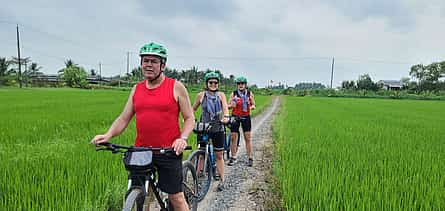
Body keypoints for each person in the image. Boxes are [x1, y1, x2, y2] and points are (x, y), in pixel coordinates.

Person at [91, 42, 194, 211]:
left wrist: (182, 139)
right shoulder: (136, 89)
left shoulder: (175, 87)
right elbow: (124, 118)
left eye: (154, 61)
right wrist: (108, 135)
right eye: (145, 60)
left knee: (176, 197)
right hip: (141, 152)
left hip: (168, 150)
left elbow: (189, 118)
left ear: (163, 65)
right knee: (139, 195)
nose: (148, 65)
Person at [192, 71, 230, 191]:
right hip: (204, 128)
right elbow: (192, 109)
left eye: (215, 82)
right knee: (201, 154)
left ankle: (223, 180)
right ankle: (197, 178)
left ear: (218, 84)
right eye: (210, 82)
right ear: (206, 83)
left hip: (218, 127)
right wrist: (188, 118)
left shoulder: (221, 95)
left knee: (219, 155)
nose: (213, 84)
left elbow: (225, 108)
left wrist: (226, 117)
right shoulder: (201, 95)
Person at [227, 76, 256, 167]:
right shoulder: (234, 94)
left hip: (246, 117)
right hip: (235, 117)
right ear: (237, 85)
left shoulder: (249, 94)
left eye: (242, 83)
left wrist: (251, 107)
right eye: (238, 84)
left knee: (247, 138)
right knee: (233, 137)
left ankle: (250, 158)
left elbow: (253, 105)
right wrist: (232, 105)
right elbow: (228, 106)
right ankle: (233, 157)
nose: (240, 85)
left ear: (245, 85)